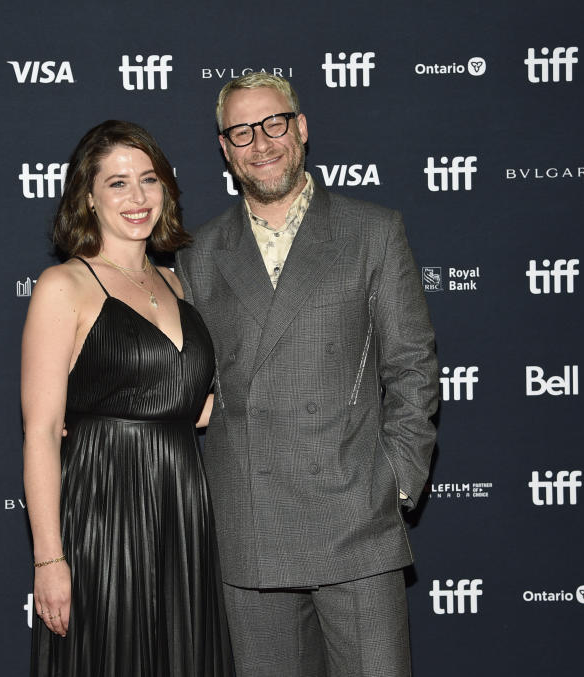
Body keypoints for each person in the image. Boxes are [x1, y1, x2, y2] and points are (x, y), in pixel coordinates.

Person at [175, 73, 438, 677]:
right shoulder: (199, 253)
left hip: (355, 516)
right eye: (242, 132)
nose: (261, 143)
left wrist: (395, 481)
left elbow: (413, 368)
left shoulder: (372, 232)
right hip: (250, 520)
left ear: (301, 128)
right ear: (225, 148)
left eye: (273, 124)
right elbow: (188, 380)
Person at [21, 120, 234, 677]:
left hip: (182, 506)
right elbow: (42, 430)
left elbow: (192, 402)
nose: (137, 197)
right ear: (87, 197)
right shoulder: (64, 286)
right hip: (103, 507)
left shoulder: (179, 285)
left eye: (148, 179)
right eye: (117, 183)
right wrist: (49, 558)